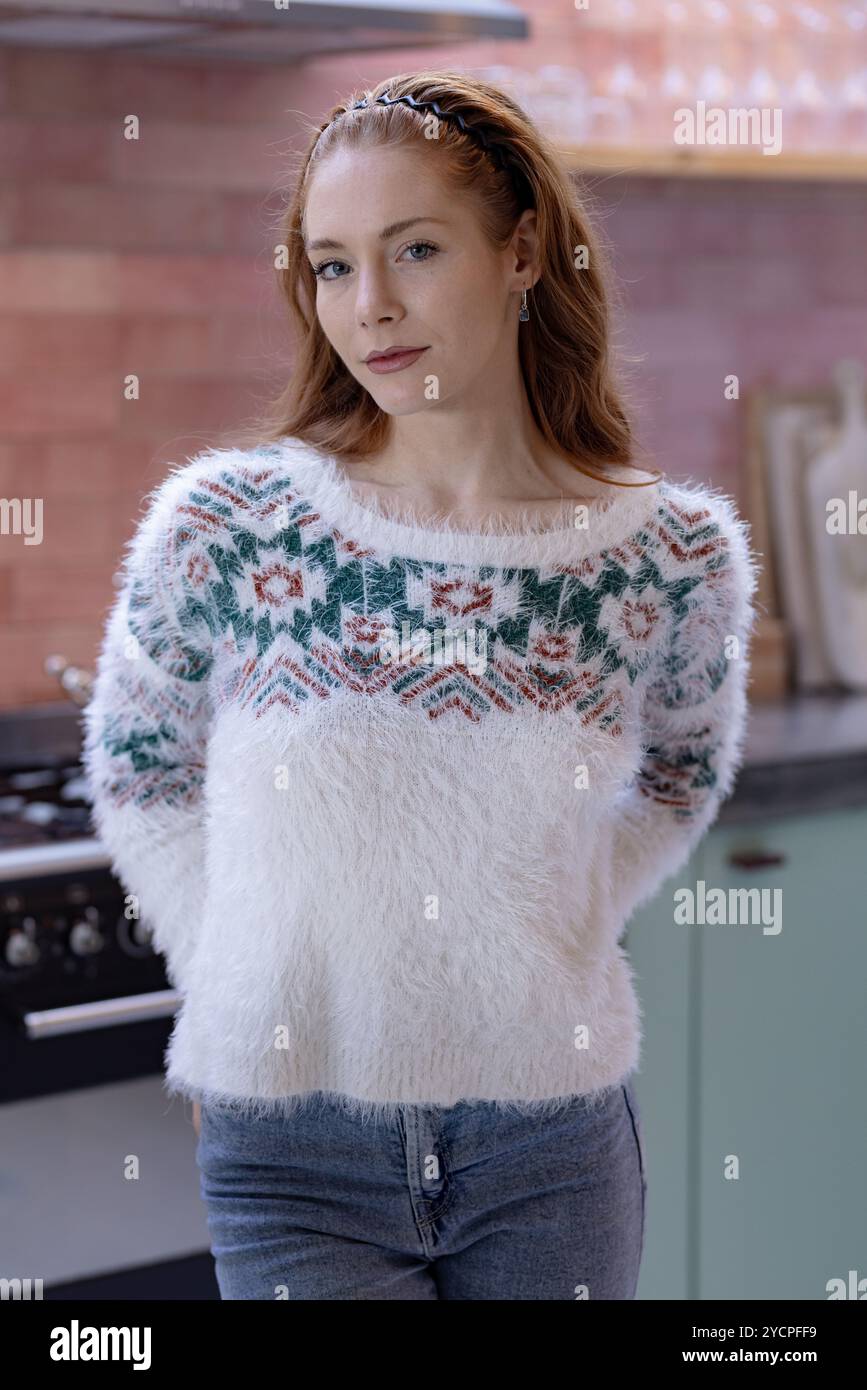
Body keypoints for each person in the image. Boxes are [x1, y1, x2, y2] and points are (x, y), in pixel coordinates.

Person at [83, 70, 759, 1300]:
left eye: (415, 249)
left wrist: (545, 933)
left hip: (550, 1140)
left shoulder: (672, 556)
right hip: (293, 1146)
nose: (371, 306)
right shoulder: (228, 526)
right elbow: (139, 770)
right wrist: (239, 976)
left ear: (522, 251)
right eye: (332, 265)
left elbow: (677, 778)